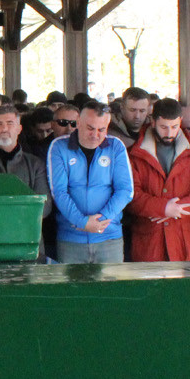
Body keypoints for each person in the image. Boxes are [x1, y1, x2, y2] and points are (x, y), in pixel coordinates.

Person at [48, 102, 132, 264]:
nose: (95, 135)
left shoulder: (116, 146)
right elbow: (58, 192)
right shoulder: (59, 146)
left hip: (109, 237)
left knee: (111, 282)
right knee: (71, 282)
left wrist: (99, 221)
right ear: (78, 123)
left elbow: (125, 190)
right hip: (71, 239)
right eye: (90, 128)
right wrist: (81, 222)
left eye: (101, 130)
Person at [125, 97, 190, 261]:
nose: (169, 133)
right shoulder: (133, 154)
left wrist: (174, 209)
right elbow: (130, 195)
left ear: (181, 121)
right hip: (149, 240)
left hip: (181, 238)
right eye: (164, 127)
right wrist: (163, 208)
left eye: (174, 127)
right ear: (153, 121)